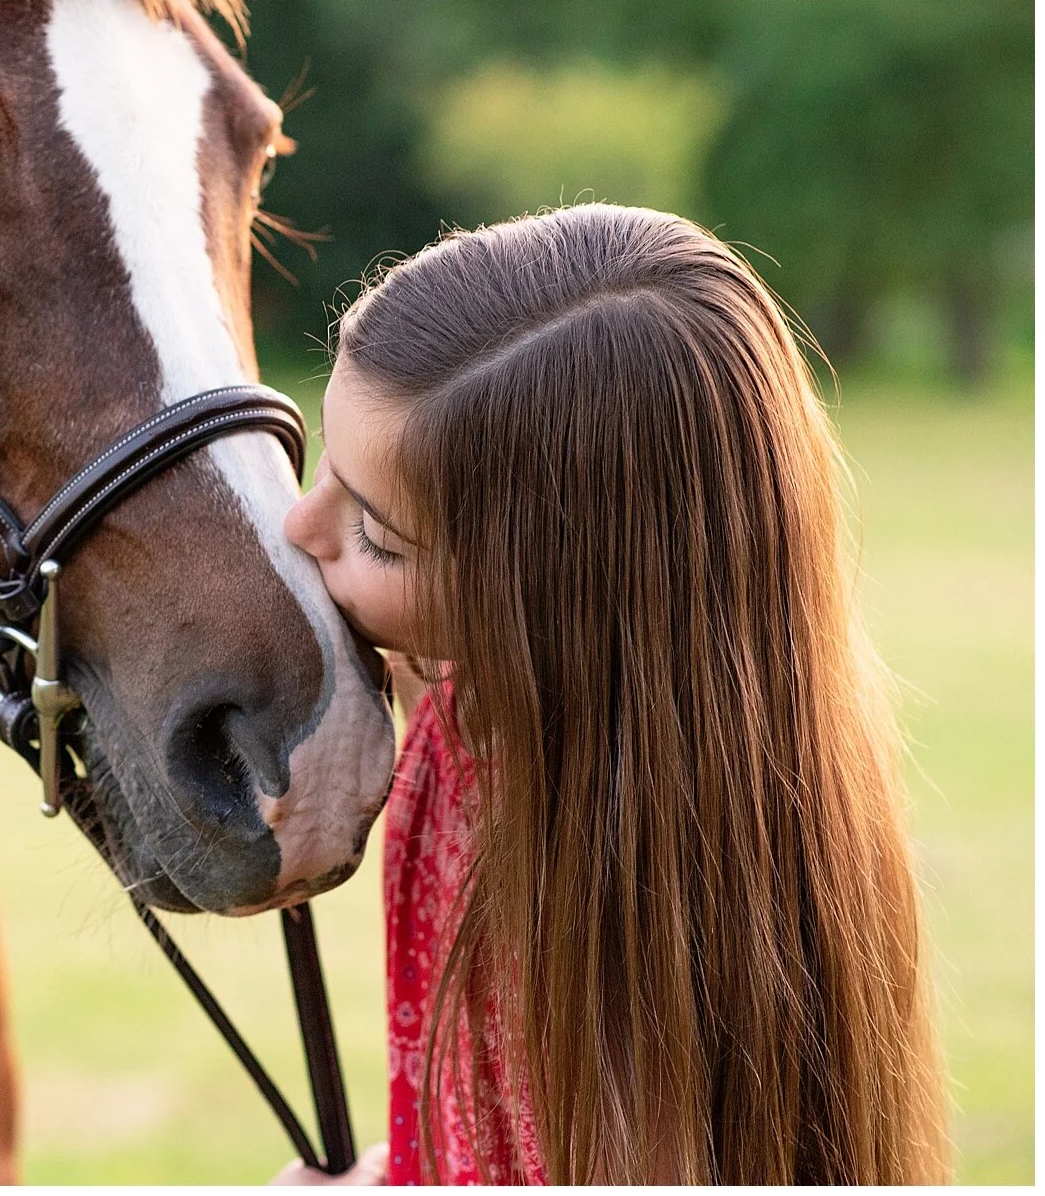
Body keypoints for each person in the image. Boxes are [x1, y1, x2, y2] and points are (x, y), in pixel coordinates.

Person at [272, 203, 949, 1184]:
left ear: (550, 602)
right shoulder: (482, 710)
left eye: (376, 533)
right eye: (326, 459)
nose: (302, 522)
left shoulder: (649, 928)